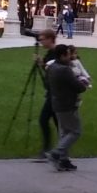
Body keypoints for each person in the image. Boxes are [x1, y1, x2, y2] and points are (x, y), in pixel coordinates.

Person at [44, 43, 88, 171]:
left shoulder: (52, 67)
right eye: (68, 55)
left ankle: (63, 160)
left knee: (64, 132)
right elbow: (79, 87)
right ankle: (56, 153)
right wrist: (83, 82)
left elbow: (48, 83)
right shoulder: (64, 70)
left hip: (56, 103)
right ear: (63, 55)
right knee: (75, 131)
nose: (71, 57)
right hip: (68, 105)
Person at [33, 29, 60, 160]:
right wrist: (41, 64)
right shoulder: (50, 53)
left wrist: (43, 64)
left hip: (56, 93)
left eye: (43, 39)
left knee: (47, 120)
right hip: (51, 91)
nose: (41, 42)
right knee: (55, 121)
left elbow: (56, 70)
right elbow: (48, 69)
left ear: (50, 39)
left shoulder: (57, 53)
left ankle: (51, 150)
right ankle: (57, 150)